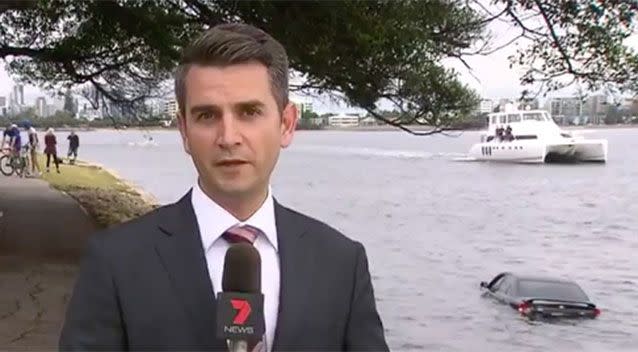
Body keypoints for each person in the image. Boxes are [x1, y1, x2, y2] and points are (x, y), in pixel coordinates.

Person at [59, 23, 389, 352]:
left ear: (286, 124)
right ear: (184, 130)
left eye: (249, 112)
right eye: (207, 116)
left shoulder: (342, 264)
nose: (228, 137)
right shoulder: (116, 261)